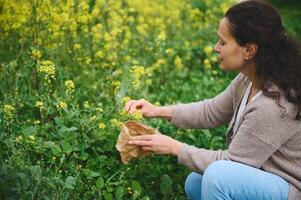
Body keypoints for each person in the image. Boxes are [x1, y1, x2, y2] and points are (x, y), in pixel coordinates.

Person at [124, 1, 301, 200]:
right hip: (264, 178)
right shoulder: (249, 79)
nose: (216, 48)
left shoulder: (273, 105)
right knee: (195, 182)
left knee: (217, 177)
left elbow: (232, 163)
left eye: (223, 43)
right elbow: (212, 111)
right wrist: (158, 110)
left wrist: (174, 148)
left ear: (249, 50)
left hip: (290, 189)